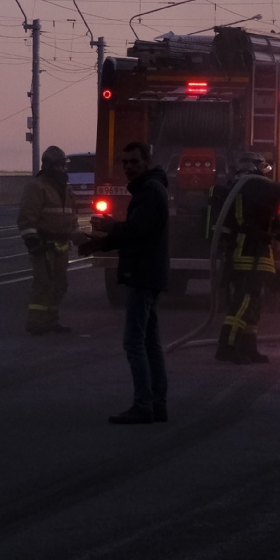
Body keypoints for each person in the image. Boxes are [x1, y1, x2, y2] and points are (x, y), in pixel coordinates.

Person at [80, 140, 169, 424]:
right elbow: (136, 233)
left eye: (134, 162)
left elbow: (138, 231)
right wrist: (100, 245)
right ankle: (157, 404)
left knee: (134, 342)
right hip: (148, 272)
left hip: (142, 274)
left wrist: (109, 227)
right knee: (150, 343)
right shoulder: (150, 189)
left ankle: (144, 404)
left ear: (146, 162)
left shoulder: (150, 191)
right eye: (125, 162)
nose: (129, 167)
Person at [208, 152, 280, 364]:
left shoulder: (240, 187)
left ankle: (248, 347)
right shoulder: (251, 186)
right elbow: (257, 219)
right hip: (248, 254)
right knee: (244, 302)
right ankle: (227, 346)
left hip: (254, 254)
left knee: (254, 304)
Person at [17, 145, 78, 335]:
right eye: (60, 165)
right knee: (43, 284)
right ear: (50, 165)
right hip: (43, 246)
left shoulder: (65, 189)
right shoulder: (36, 187)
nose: (63, 169)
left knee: (60, 285)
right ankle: (35, 323)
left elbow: (71, 217)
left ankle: (51, 321)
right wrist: (33, 242)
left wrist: (80, 236)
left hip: (61, 246)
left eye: (64, 165)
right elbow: (27, 217)